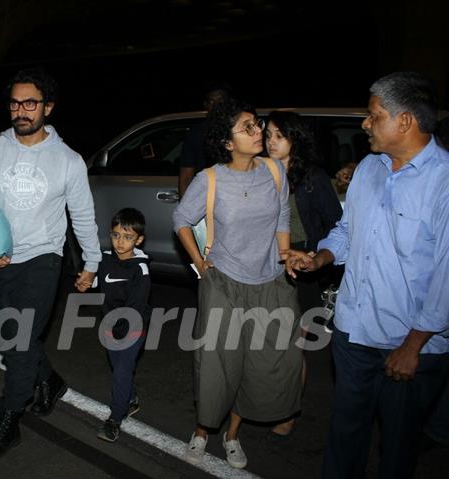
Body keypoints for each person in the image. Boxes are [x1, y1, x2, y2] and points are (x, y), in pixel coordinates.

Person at [283, 71, 449, 479]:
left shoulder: (443, 182)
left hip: (408, 344)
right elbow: (346, 230)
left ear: (405, 121)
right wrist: (322, 257)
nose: (364, 124)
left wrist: (413, 345)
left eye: (373, 115)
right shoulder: (369, 170)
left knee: (397, 446)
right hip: (354, 332)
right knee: (345, 435)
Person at [0, 67, 101, 461]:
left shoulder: (68, 160)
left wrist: (91, 261)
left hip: (43, 259)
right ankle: (50, 380)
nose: (21, 111)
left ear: (48, 107)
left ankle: (7, 422)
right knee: (8, 337)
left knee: (20, 341)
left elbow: (83, 216)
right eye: (14, 103)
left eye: (30, 103)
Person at [173, 98, 303, 468]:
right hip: (224, 283)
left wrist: (286, 255)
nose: (258, 131)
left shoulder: (275, 172)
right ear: (228, 142)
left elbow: (281, 220)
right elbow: (181, 218)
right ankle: (202, 431)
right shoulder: (210, 179)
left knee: (263, 363)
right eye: (247, 127)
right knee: (218, 364)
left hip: (270, 282)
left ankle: (232, 435)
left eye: (257, 124)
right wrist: (199, 262)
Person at [264, 112, 344, 436]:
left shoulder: (311, 178)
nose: (271, 141)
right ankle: (268, 398)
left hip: (298, 265)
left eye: (278, 136)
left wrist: (313, 255)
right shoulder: (259, 173)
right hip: (264, 262)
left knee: (293, 343)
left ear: (295, 139)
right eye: (267, 134)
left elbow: (337, 224)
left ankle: (288, 411)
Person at [83, 208, 151, 443]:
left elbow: (134, 309)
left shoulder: (140, 269)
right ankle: (131, 400)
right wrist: (86, 281)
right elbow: (96, 282)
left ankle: (115, 419)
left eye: (128, 237)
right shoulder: (105, 259)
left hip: (132, 328)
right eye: (116, 235)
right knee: (118, 369)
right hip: (110, 326)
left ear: (139, 239)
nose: (120, 242)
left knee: (121, 372)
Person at [178, 84, 231, 197]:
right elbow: (186, 176)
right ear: (206, 105)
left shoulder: (239, 129)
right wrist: (186, 208)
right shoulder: (195, 133)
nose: (217, 105)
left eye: (221, 101)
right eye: (212, 101)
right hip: (207, 197)